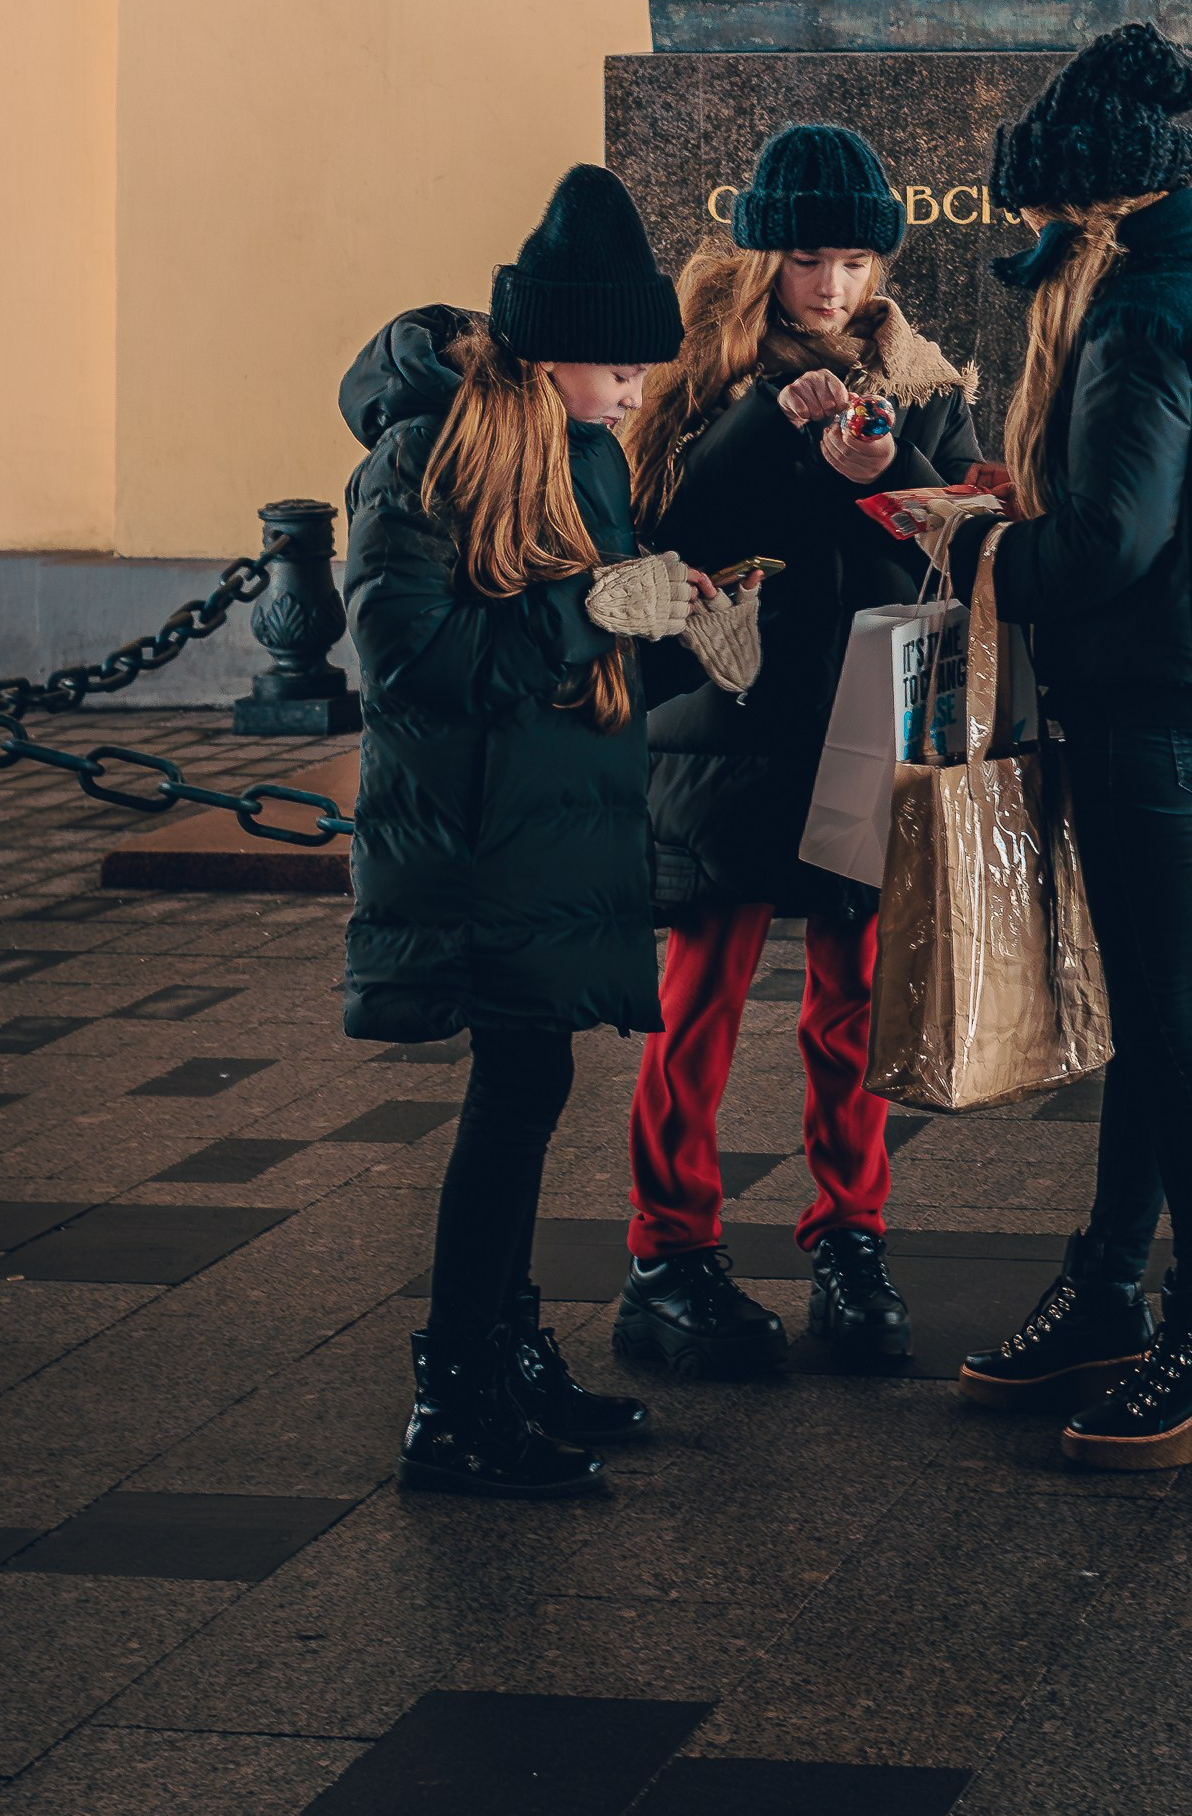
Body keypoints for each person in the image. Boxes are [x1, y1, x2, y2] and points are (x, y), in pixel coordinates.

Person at [339, 163, 764, 1501]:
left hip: (550, 826)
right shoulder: (428, 449)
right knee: (514, 1095)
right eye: (619, 368)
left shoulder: (577, 446)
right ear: (551, 347)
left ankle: (505, 1357)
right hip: (474, 836)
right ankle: (457, 1399)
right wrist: (612, 607)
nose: (638, 392)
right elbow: (411, 661)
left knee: (527, 1094)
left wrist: (700, 629)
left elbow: (589, 645)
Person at [950, 26, 1192, 1469]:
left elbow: (1113, 539)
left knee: (1168, 1019)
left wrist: (983, 542)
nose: (1039, 257)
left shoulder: (1139, 314)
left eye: (1045, 227)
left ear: (1087, 216)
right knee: (1144, 1001)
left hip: (1158, 692)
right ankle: (1112, 1290)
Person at [616, 123, 983, 1378]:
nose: (831, 284)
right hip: (720, 734)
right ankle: (670, 1249)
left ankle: (851, 1237)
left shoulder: (916, 378)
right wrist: (774, 431)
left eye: (853, 257)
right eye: (808, 256)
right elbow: (661, 526)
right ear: (762, 254)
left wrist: (882, 468)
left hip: (854, 726)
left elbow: (930, 554)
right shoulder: (696, 371)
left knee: (851, 1007)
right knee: (695, 1005)